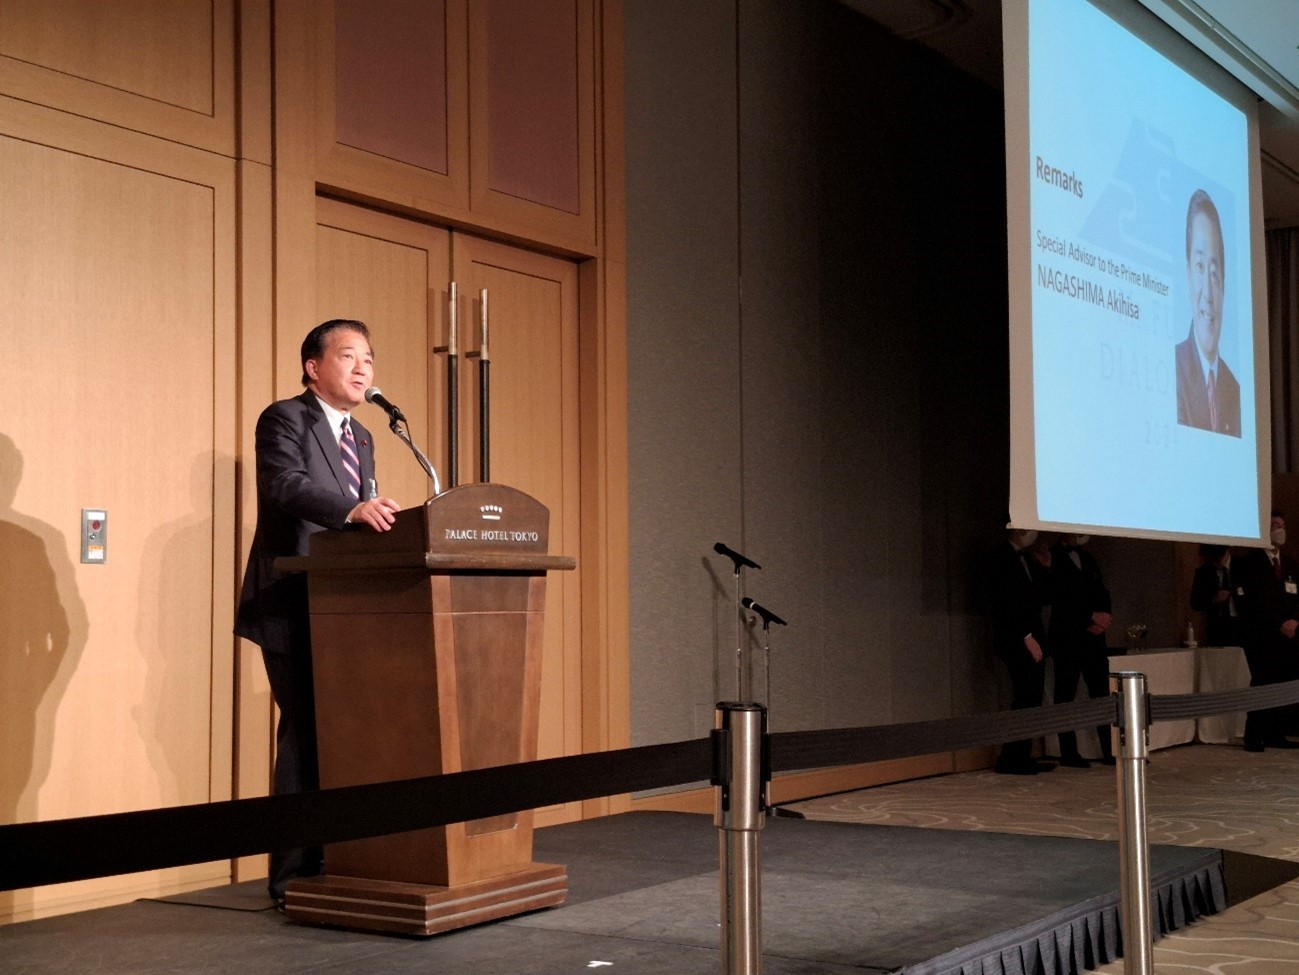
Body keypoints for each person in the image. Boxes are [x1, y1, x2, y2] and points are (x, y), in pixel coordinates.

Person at [234, 319, 401, 900]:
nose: (363, 368)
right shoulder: (284, 418)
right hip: (292, 602)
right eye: (349, 356)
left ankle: (339, 857)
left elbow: (360, 513)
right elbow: (285, 484)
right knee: (305, 733)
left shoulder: (364, 437)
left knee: (343, 734)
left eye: (369, 358)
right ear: (314, 366)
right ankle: (293, 875)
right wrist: (352, 511)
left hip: (344, 608)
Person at [987, 526, 1055, 775]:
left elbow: (1042, 597)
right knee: (1024, 697)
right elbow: (1003, 602)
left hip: (1033, 635)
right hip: (1016, 638)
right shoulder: (1000, 557)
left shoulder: (1027, 558)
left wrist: (1046, 567)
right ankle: (1011, 758)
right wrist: (1026, 636)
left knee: (1032, 697)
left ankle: (1021, 755)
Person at [1174, 189, 1240, 436]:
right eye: (1200, 267)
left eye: (1214, 273)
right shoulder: (1173, 370)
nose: (1208, 294)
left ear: (1224, 284)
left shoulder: (1236, 391)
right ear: (1188, 274)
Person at [1233, 511, 1299, 752]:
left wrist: (1294, 620)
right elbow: (1250, 603)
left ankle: (1276, 733)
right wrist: (1277, 624)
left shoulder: (1291, 563)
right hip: (1262, 635)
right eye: (1274, 525)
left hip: (1290, 635)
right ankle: (1254, 735)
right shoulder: (1247, 563)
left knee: (1284, 683)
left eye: (1282, 525)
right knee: (1262, 682)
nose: (1280, 530)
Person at [1047, 534, 1114, 767]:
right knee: (1065, 695)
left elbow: (1102, 591)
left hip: (1094, 640)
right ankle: (1068, 752)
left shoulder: (1088, 558)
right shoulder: (1052, 557)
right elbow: (1059, 597)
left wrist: (1104, 618)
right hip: (1067, 638)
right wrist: (1089, 617)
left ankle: (1109, 750)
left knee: (1101, 693)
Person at [1190, 544, 1240, 647]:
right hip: (1217, 627)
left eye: (1218, 559)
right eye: (1212, 560)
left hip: (1240, 624)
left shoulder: (1241, 567)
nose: (1215, 563)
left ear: (1226, 554)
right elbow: (1195, 603)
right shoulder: (1203, 572)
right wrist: (1214, 599)